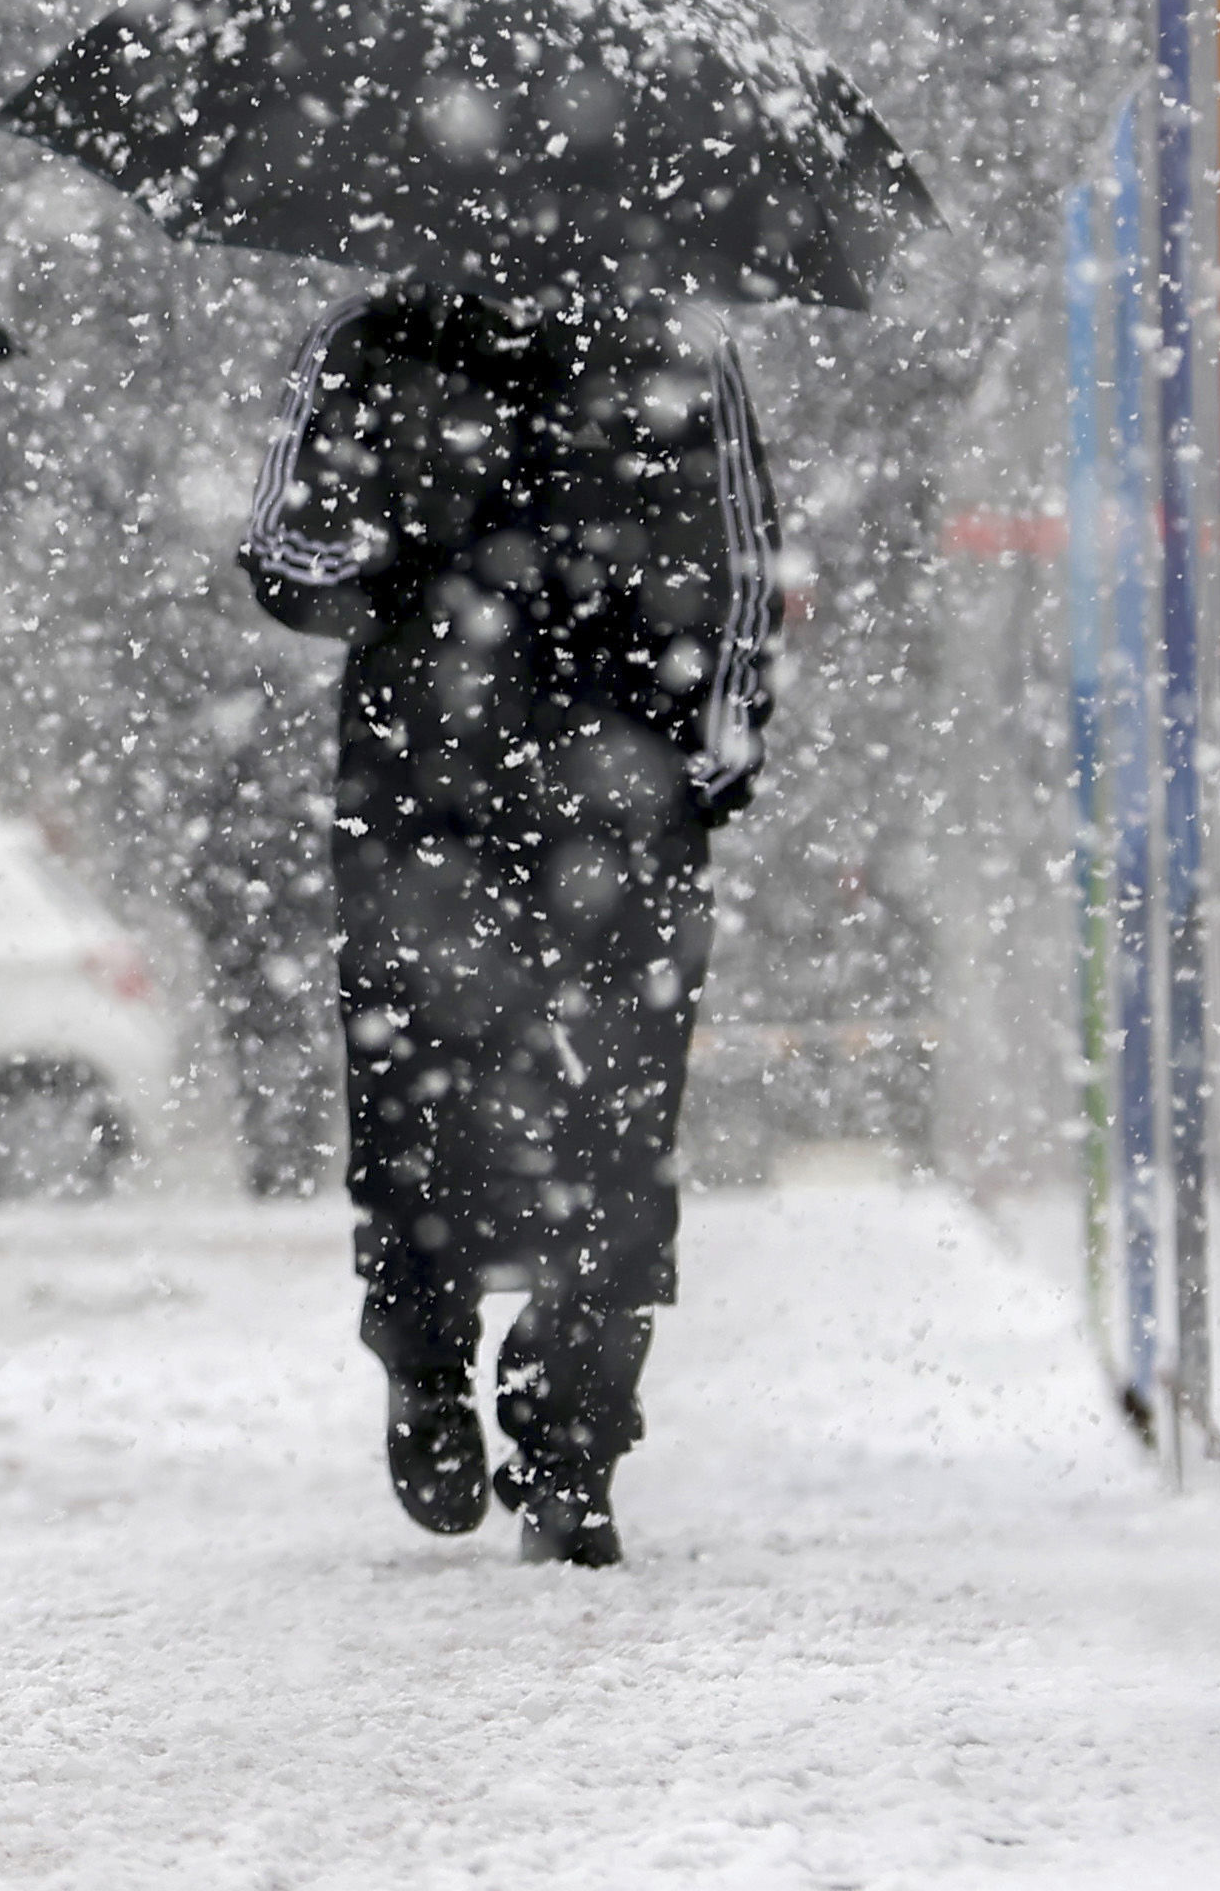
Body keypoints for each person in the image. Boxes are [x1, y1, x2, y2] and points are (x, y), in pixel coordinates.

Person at [236, 280, 778, 1568]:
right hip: (424, 812)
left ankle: (576, 1433)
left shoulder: (680, 353)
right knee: (420, 1102)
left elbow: (747, 568)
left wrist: (707, 754)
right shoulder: (367, 345)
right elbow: (282, 558)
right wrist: (395, 541)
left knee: (621, 1120)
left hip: (624, 812)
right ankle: (426, 1362)